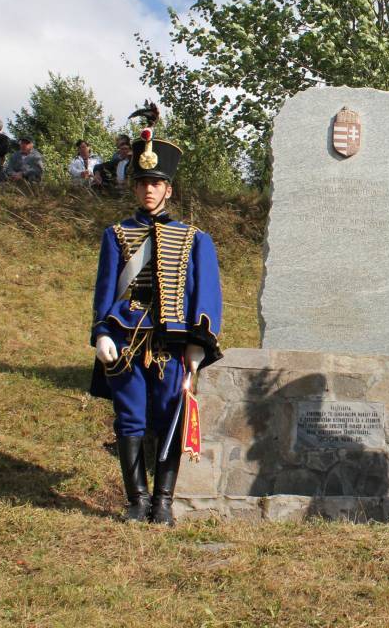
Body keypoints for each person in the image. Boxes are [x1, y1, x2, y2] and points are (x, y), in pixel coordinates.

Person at [89, 128, 224, 525]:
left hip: (174, 343)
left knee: (171, 416)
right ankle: (136, 500)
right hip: (126, 340)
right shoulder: (115, 235)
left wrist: (199, 344)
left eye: (157, 183)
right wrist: (100, 332)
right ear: (135, 189)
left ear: (169, 189)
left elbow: (206, 293)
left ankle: (163, 501)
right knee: (129, 418)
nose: (149, 190)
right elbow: (104, 288)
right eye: (143, 183)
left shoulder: (194, 238)